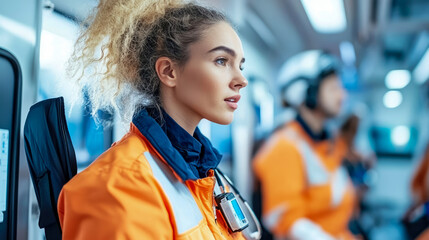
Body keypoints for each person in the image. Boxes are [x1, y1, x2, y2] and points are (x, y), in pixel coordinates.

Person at [57, 0, 258, 239]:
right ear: (168, 72)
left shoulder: (203, 172)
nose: (241, 80)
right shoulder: (120, 186)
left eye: (240, 66)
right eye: (221, 61)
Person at [252, 50, 356, 240]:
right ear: (305, 92)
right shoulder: (284, 147)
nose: (342, 95)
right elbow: (287, 223)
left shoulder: (327, 143)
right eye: (333, 88)